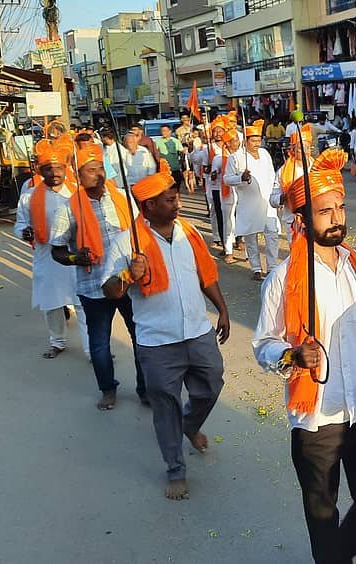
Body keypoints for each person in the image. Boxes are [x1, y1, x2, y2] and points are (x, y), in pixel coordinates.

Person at [252, 149, 356, 564]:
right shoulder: (283, 280)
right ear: (302, 219)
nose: (337, 217)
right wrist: (292, 355)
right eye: (325, 211)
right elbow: (262, 345)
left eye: (340, 207)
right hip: (316, 416)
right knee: (323, 516)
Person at [102, 161, 229, 500]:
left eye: (176, 197)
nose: (178, 204)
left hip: (198, 332)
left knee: (212, 385)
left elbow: (205, 275)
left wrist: (223, 309)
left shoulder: (189, 233)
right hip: (157, 343)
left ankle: (190, 424)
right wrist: (128, 275)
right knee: (165, 406)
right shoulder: (125, 245)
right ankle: (175, 469)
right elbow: (110, 291)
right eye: (171, 199)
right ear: (149, 206)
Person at [50, 145, 146, 410]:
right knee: (100, 342)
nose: (98, 174)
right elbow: (56, 250)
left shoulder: (122, 198)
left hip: (127, 281)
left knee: (141, 337)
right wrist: (75, 258)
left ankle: (145, 388)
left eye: (100, 168)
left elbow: (142, 232)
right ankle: (108, 389)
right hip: (93, 286)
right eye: (90, 171)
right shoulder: (67, 209)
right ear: (78, 176)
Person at [14, 140, 89, 360]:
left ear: (66, 169)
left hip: (76, 256)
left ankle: (91, 349)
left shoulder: (78, 193)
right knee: (52, 304)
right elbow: (19, 225)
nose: (54, 172)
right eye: (48, 168)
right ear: (40, 170)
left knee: (83, 304)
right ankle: (57, 342)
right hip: (47, 257)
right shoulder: (29, 197)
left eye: (59, 168)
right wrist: (24, 232)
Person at [225, 120, 280, 280]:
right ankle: (256, 268)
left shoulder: (265, 153)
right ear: (245, 141)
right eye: (253, 140)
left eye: (259, 140)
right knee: (251, 236)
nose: (257, 143)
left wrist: (277, 197)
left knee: (272, 234)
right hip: (248, 204)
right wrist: (241, 178)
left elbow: (272, 176)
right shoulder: (235, 157)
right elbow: (227, 179)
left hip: (267, 201)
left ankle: (272, 267)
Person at [272, 124, 313, 244]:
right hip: (293, 221)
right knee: (296, 255)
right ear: (293, 150)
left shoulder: (318, 168)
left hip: (316, 220)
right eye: (301, 148)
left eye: (308, 147)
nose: (305, 151)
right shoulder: (283, 171)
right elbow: (273, 199)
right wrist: (284, 197)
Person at [210, 120, 239, 264]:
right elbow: (213, 177)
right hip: (226, 194)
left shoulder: (242, 156)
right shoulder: (219, 158)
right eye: (234, 140)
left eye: (238, 139)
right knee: (228, 221)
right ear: (227, 144)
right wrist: (215, 175)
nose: (238, 142)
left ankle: (239, 242)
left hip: (242, 194)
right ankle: (228, 250)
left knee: (239, 221)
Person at [156, 125, 185, 189]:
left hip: (175, 167)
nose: (164, 133)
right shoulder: (158, 141)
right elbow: (156, 153)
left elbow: (182, 152)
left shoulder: (175, 141)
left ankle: (177, 198)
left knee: (177, 185)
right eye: (162, 131)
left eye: (165, 131)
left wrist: (181, 162)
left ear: (170, 131)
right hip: (164, 169)